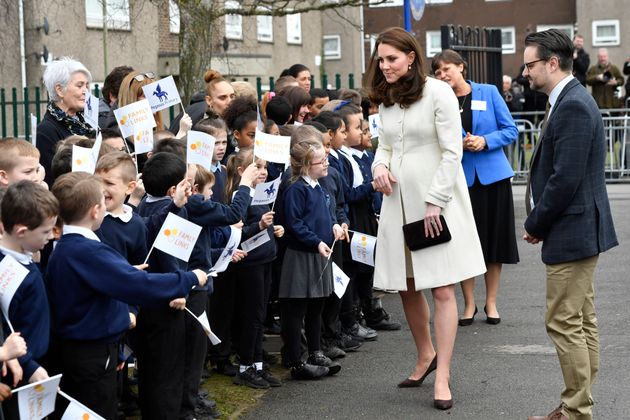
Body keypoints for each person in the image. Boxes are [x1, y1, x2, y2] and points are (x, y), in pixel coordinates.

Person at [366, 27, 486, 410]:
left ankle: (444, 376)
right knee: (407, 286)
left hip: (437, 201)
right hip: (398, 200)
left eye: (391, 59)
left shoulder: (438, 92)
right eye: (380, 59)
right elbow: (383, 144)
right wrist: (378, 166)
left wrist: (435, 200)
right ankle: (425, 356)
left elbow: (453, 151)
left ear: (411, 57)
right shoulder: (385, 98)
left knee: (442, 289)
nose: (384, 66)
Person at [46, 172, 208, 419]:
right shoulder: (86, 251)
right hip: (89, 357)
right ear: (95, 210)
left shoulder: (72, 248)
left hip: (93, 351)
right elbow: (139, 284)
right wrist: (190, 278)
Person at [522, 29, 618, 420]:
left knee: (563, 322)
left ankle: (576, 411)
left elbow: (566, 178)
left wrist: (536, 222)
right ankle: (577, 405)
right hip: (578, 229)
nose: (525, 72)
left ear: (552, 63)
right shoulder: (570, 100)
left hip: (572, 230)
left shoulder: (574, 104)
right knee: (579, 320)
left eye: (530, 65)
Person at [432, 50, 520, 327]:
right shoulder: (439, 99)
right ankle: (468, 303)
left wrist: (485, 140)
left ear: (461, 67)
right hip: (459, 179)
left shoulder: (489, 92)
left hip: (493, 178)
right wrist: (458, 141)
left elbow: (511, 130)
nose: (443, 75)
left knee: (494, 241)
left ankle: (491, 302)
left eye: (447, 69)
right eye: (437, 73)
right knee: (464, 243)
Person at [280, 126, 344, 379]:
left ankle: (316, 352)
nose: (326, 163)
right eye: (321, 161)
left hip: (320, 255)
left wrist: (335, 225)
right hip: (302, 256)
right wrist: (316, 241)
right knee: (297, 309)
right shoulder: (297, 189)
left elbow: (327, 213)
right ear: (306, 165)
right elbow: (295, 223)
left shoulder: (318, 185)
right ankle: (297, 361)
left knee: (317, 306)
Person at [224, 148, 284, 389]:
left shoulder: (261, 193)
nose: (263, 172)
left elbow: (263, 224)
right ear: (241, 171)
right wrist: (259, 225)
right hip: (250, 263)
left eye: (265, 167)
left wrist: (274, 229)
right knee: (252, 315)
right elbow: (235, 235)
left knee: (260, 314)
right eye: (257, 167)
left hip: (266, 259)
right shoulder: (239, 197)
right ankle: (246, 366)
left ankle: (258, 364)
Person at [0, 181, 58, 420]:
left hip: (34, 359)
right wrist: (29, 366)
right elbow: (6, 327)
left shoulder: (24, 257)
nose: (52, 235)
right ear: (22, 232)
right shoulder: (9, 274)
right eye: (45, 232)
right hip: (17, 370)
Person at [37, 57, 95, 185]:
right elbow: (52, 179)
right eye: (79, 86)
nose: (86, 91)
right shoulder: (46, 130)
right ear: (59, 90)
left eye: (87, 85)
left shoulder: (88, 123)